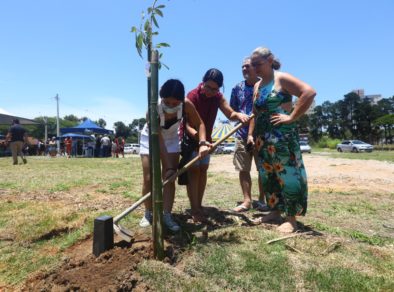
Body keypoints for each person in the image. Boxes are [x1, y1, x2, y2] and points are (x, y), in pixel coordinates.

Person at [248, 47, 316, 233]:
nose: (255, 68)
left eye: (258, 64)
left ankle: (291, 218)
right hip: (263, 140)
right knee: (268, 175)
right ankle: (275, 211)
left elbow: (308, 92)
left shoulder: (282, 78)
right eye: (253, 65)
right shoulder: (257, 85)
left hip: (282, 139)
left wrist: (291, 117)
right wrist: (251, 135)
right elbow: (255, 114)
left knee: (287, 174)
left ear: (270, 60)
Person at [139, 79, 209, 232]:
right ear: (161, 97)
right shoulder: (153, 108)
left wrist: (203, 142)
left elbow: (200, 124)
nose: (171, 106)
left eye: (174, 103)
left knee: (169, 179)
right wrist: (170, 166)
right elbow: (158, 140)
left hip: (171, 139)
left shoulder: (186, 104)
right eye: (167, 102)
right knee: (149, 178)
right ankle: (148, 213)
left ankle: (166, 214)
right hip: (151, 138)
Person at [186, 68, 250, 222]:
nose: (210, 91)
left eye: (215, 89)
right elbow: (187, 125)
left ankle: (199, 205)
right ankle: (194, 209)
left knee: (203, 170)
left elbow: (230, 113)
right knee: (194, 172)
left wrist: (239, 115)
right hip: (191, 139)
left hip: (207, 141)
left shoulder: (217, 97)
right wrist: (200, 142)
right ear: (202, 82)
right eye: (208, 87)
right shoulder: (192, 96)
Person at [230, 57, 269, 212]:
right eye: (242, 67)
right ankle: (247, 201)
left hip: (262, 134)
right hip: (241, 133)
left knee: (263, 168)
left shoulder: (265, 86)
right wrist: (239, 115)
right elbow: (232, 110)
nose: (244, 69)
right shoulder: (237, 88)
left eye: (247, 66)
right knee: (243, 168)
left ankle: (261, 200)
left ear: (255, 68)